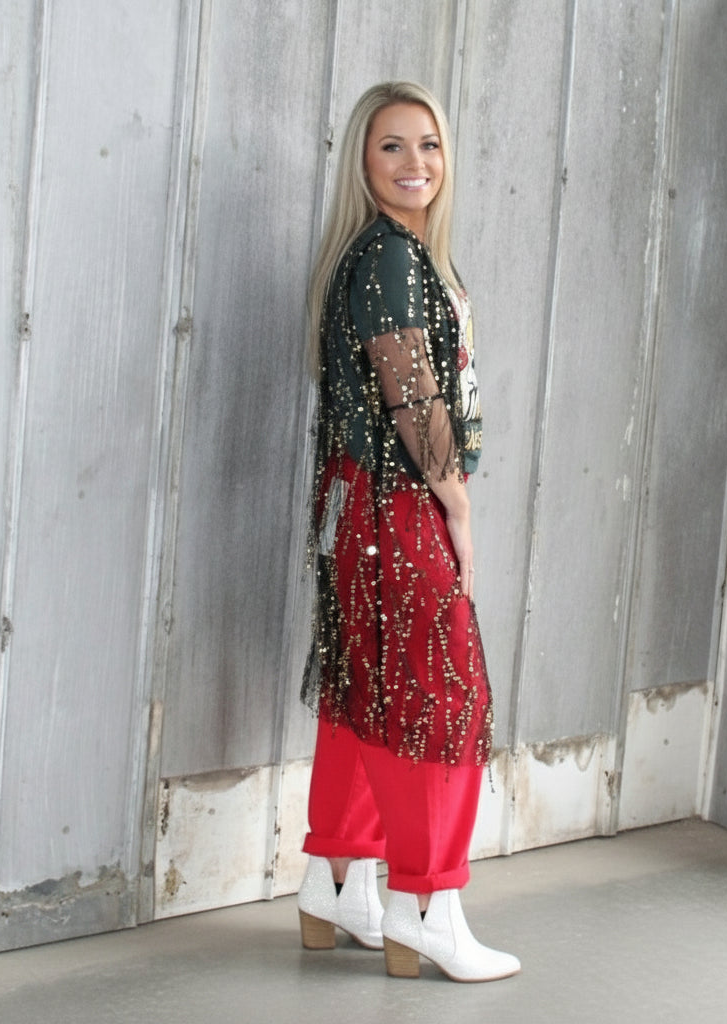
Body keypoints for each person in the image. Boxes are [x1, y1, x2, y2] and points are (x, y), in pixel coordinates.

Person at [295, 81, 520, 984]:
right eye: (392, 146)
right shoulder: (389, 256)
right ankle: (425, 907)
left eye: (428, 145)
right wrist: (456, 503)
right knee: (440, 696)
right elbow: (412, 391)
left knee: (370, 689)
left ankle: (337, 880)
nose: (415, 164)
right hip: (400, 501)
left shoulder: (385, 251)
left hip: (363, 503)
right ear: (362, 159)